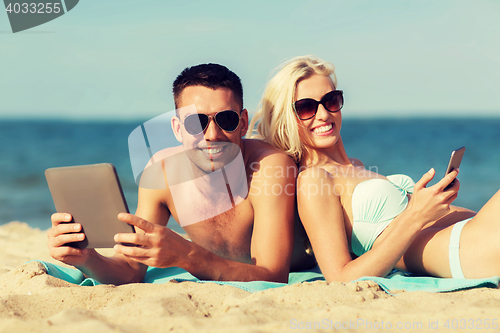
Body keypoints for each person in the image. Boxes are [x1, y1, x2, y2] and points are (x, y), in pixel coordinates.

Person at [250, 55, 500, 283]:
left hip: (474, 231)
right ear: (286, 117)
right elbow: (339, 278)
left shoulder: (356, 166)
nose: (324, 114)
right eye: (306, 107)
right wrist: (416, 214)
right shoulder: (313, 180)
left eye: (331, 100)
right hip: (466, 249)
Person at [47, 63, 301, 284]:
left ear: (243, 123)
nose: (212, 135)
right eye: (195, 122)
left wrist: (187, 256)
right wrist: (87, 258)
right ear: (178, 128)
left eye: (226, 120)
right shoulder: (162, 173)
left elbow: (273, 275)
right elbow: (131, 269)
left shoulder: (269, 167)